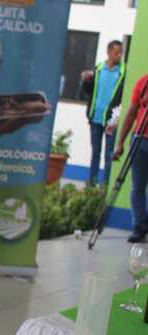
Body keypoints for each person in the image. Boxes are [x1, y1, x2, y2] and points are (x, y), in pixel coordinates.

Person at [81, 40, 125, 187]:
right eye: (116, 52)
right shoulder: (99, 69)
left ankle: (105, 185)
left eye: (121, 52)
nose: (119, 55)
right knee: (95, 152)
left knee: (109, 154)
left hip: (111, 120)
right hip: (95, 118)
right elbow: (89, 91)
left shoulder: (122, 72)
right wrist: (85, 81)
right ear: (109, 52)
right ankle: (92, 183)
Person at [113, 72, 148, 243]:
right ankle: (139, 226)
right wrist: (119, 143)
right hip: (140, 140)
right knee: (137, 186)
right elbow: (131, 113)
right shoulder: (143, 82)